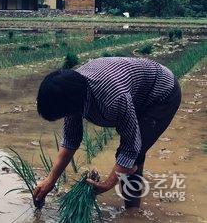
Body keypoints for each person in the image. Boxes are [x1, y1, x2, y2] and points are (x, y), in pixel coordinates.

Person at [33, 57, 181, 208]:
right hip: (134, 92)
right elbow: (71, 140)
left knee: (133, 158)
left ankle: (132, 214)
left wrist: (107, 184)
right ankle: (132, 196)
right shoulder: (71, 90)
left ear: (74, 105)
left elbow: (131, 148)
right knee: (128, 162)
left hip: (162, 92)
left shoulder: (113, 98)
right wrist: (50, 181)